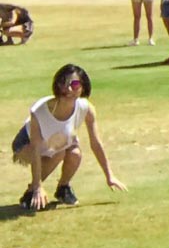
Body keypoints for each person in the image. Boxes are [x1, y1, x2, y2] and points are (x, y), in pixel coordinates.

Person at [13, 64, 127, 210]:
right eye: (63, 83)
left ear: (83, 87)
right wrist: (37, 186)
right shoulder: (39, 110)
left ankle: (63, 188)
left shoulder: (86, 108)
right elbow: (35, 147)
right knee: (59, 152)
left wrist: (109, 176)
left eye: (74, 84)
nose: (68, 89)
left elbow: (96, 143)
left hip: (57, 141)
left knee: (75, 153)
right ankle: (30, 193)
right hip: (26, 143)